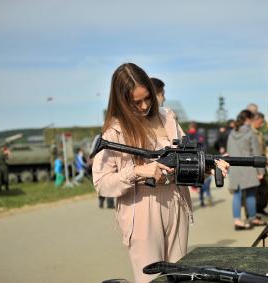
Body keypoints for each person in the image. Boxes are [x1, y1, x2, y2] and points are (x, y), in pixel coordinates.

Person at [92, 63, 229, 282]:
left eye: (148, 98)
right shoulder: (114, 131)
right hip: (141, 209)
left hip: (177, 203)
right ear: (121, 100)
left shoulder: (168, 117)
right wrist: (136, 171)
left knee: (180, 275)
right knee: (151, 278)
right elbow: (102, 183)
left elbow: (186, 158)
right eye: (136, 102)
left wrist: (208, 167)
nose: (145, 106)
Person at [227, 110, 266, 230]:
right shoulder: (250, 133)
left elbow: (229, 151)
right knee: (250, 195)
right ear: (248, 119)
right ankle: (252, 218)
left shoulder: (232, 133)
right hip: (248, 167)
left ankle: (237, 221)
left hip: (234, 168)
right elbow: (257, 153)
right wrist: (261, 171)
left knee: (237, 196)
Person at [251, 112, 268, 217]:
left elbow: (262, 149)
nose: (262, 123)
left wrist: (266, 159)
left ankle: (260, 208)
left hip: (261, 161)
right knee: (254, 189)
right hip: (254, 163)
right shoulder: (251, 132)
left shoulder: (258, 132)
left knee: (265, 186)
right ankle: (252, 212)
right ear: (256, 120)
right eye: (261, 121)